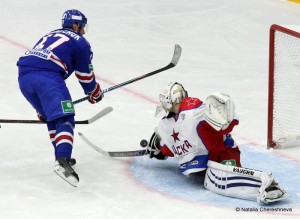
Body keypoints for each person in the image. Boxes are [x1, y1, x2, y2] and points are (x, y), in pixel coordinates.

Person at [145, 82, 287, 204]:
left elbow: (227, 123)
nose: (179, 102)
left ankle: (267, 187)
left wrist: (224, 120)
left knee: (229, 177)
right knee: (218, 178)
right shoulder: (168, 124)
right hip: (203, 164)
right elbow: (174, 147)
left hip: (224, 153)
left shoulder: (194, 112)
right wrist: (159, 148)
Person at [17, 9, 103, 187]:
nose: (83, 31)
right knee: (65, 118)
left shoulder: (50, 34)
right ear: (75, 25)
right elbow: (85, 76)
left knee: (52, 117)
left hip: (24, 77)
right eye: (82, 27)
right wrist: (94, 93)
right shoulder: (80, 42)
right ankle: (62, 159)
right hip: (48, 79)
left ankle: (61, 153)